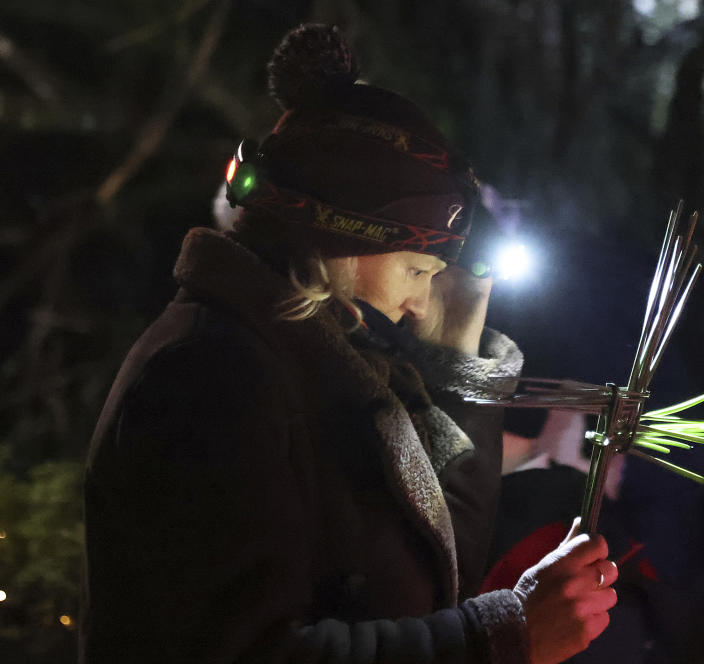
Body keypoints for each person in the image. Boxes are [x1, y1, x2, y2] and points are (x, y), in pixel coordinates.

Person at [81, 23, 618, 663]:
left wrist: (456, 373)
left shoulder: (332, 362)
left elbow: (436, 575)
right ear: (348, 237)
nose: (421, 302)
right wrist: (500, 638)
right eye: (417, 269)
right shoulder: (208, 375)